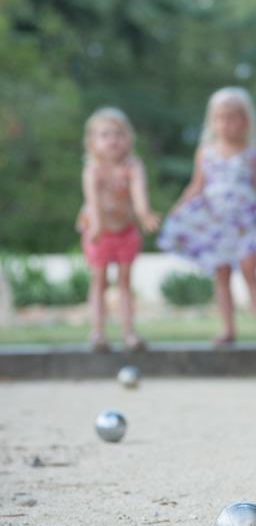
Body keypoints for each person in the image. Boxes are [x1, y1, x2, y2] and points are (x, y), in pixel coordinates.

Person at [157, 87, 256, 349]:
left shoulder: (251, 152)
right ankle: (227, 328)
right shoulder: (206, 152)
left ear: (245, 121)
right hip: (216, 222)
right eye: (220, 117)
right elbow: (197, 185)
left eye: (232, 117)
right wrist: (180, 206)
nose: (226, 124)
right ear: (212, 121)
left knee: (250, 270)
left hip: (244, 222)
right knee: (221, 274)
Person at [77, 107, 160, 351]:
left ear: (128, 139)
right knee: (99, 281)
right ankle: (98, 333)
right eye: (105, 135)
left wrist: (144, 214)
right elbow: (91, 201)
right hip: (98, 231)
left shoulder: (133, 166)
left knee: (124, 282)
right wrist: (97, 225)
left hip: (125, 231)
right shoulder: (93, 169)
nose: (113, 139)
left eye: (118, 134)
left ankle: (128, 333)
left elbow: (139, 195)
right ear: (92, 142)